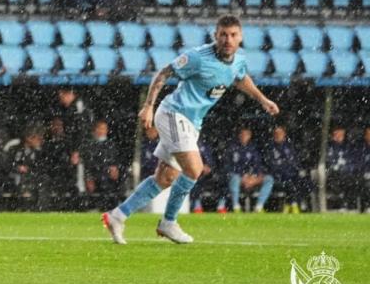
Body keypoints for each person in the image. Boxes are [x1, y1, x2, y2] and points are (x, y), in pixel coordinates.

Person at [103, 16, 279, 244]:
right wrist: (148, 106)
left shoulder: (239, 60)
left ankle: (117, 216)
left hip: (191, 123)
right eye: (223, 34)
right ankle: (168, 223)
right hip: (173, 114)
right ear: (215, 35)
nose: (228, 40)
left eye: (233, 35)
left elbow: (241, 78)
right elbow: (163, 73)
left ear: (240, 37)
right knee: (194, 169)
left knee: (165, 178)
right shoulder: (198, 57)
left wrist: (263, 100)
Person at [219, 127, 273, 212]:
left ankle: (259, 206)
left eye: (246, 134)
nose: (244, 136)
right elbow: (228, 166)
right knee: (235, 178)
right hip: (238, 177)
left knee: (269, 179)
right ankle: (236, 206)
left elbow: (257, 164)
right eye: (242, 134)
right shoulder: (232, 148)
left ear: (250, 136)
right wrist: (243, 176)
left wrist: (255, 176)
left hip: (251, 177)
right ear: (239, 135)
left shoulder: (253, 148)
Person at [264, 125, 307, 213]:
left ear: (284, 134)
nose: (278, 135)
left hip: (292, 175)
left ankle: (289, 205)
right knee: (291, 184)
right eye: (276, 133)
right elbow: (271, 165)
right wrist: (284, 170)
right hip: (278, 176)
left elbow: (295, 162)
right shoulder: (270, 147)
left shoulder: (289, 146)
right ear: (273, 134)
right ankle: (294, 205)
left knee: (304, 181)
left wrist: (299, 170)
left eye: (280, 133)